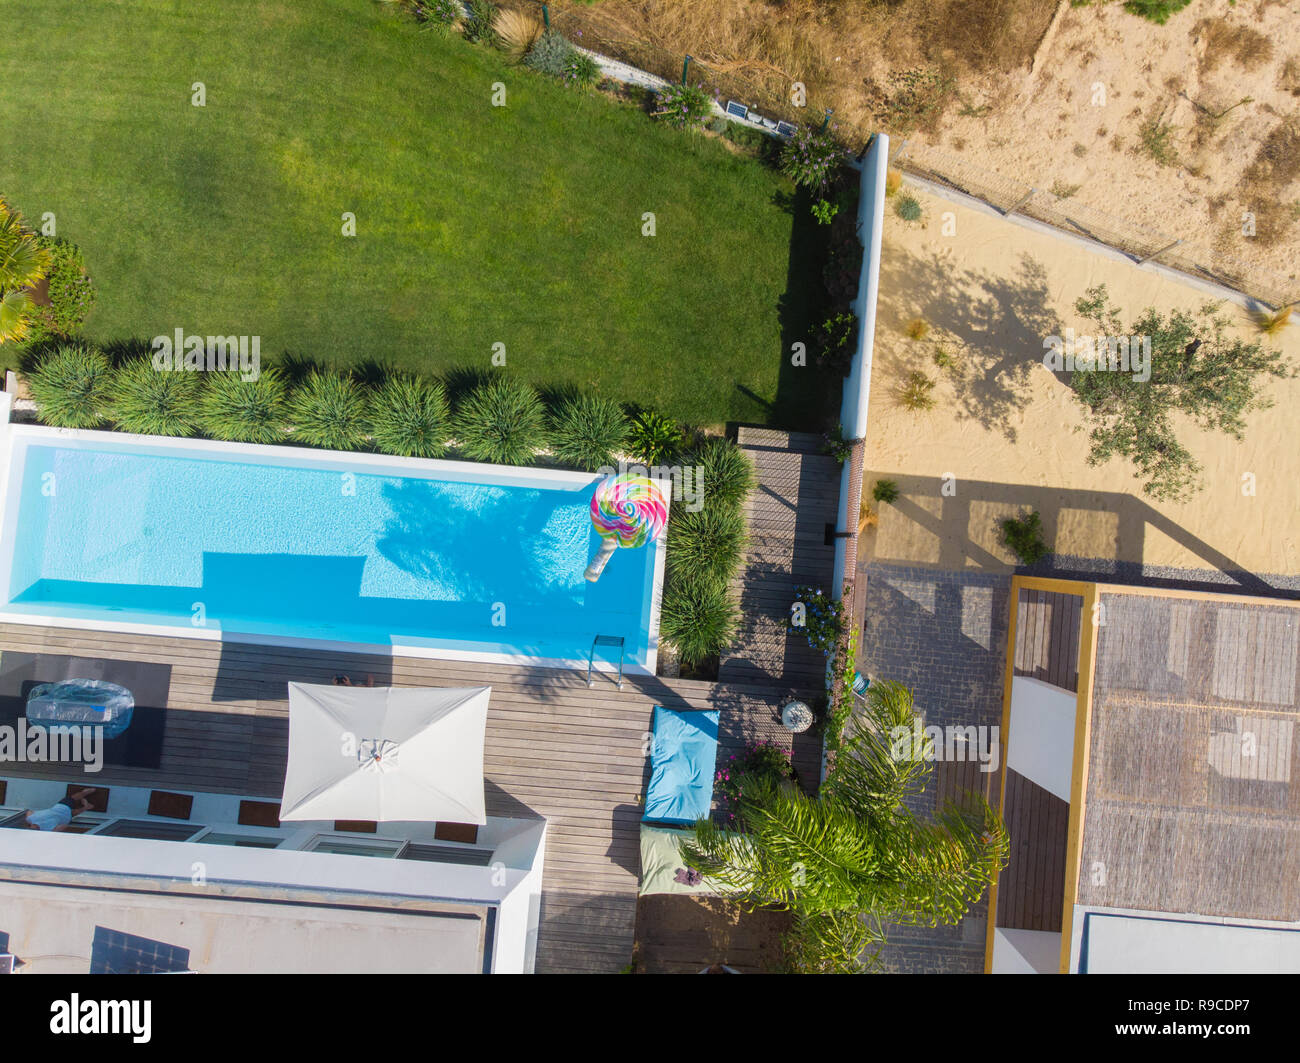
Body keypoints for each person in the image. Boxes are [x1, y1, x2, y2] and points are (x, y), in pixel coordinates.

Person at [22, 788, 95, 831]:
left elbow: (29, 811)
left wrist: (28, 819)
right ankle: (86, 801)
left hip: (60, 810)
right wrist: (55, 830)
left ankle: (86, 805)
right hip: (64, 814)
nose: (33, 828)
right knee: (72, 799)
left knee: (72, 804)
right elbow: (64, 826)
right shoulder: (47, 830)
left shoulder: (30, 819)